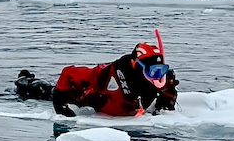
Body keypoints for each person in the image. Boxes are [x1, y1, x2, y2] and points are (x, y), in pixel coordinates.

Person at [49, 38, 178, 116]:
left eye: (162, 70)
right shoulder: (107, 78)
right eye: (154, 71)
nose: (158, 77)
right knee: (42, 92)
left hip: (122, 111)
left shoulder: (162, 80)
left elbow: (165, 105)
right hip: (77, 95)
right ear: (138, 67)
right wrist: (60, 104)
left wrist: (168, 97)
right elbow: (68, 72)